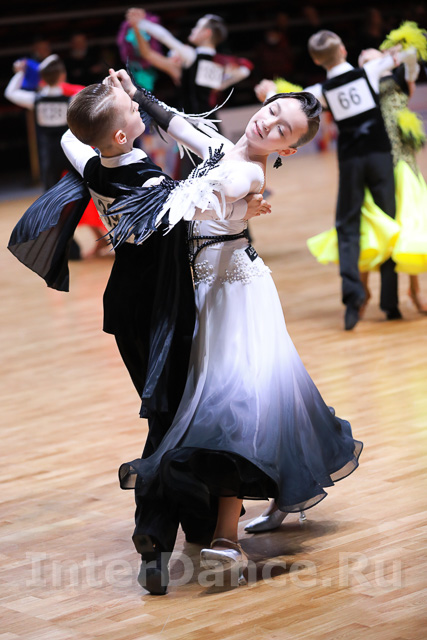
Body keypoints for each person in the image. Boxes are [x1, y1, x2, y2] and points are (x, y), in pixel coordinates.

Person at [8, 78, 268, 595]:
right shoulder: (151, 186)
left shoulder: (93, 166)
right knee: (174, 418)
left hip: (123, 307)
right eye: (131, 108)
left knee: (169, 413)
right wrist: (246, 209)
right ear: (123, 136)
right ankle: (153, 531)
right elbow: (201, 207)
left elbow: (71, 138)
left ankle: (194, 521)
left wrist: (95, 112)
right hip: (161, 311)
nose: (137, 108)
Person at [110, 70, 362, 591]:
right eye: (272, 112)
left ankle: (228, 536)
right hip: (208, 289)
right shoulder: (226, 149)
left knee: (234, 405)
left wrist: (220, 203)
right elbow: (179, 126)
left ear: (287, 150)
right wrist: (136, 95)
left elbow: (207, 196)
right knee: (268, 398)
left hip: (237, 292)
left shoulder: (247, 174)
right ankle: (281, 491)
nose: (268, 123)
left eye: (282, 129)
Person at [255, 31, 419, 330]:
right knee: (389, 223)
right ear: (343, 49)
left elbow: (286, 102)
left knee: (347, 227)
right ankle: (391, 303)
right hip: (381, 158)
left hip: (351, 161)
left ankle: (353, 301)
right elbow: (409, 56)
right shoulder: (369, 71)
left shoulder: (320, 90)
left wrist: (268, 92)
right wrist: (396, 53)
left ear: (317, 60)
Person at [128, 9, 252, 114]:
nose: (193, 30)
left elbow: (165, 37)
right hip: (211, 123)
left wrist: (141, 23)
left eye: (197, 27)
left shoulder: (191, 56)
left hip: (191, 123)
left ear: (207, 33)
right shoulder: (219, 63)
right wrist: (223, 84)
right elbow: (245, 71)